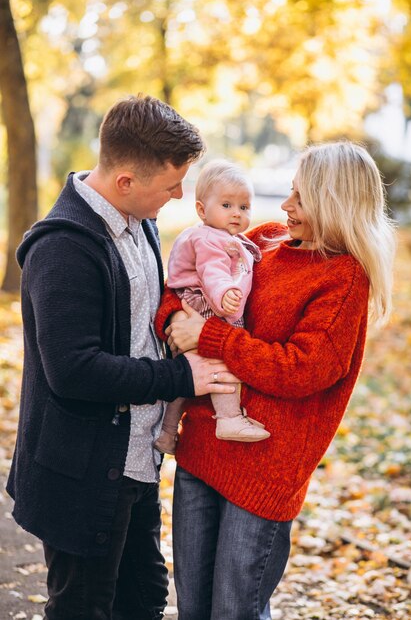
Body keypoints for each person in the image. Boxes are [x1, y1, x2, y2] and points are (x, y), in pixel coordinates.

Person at [6, 93, 238, 620]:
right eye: (170, 185)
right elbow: (73, 371)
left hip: (136, 462)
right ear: (126, 182)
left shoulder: (142, 224)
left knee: (144, 601)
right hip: (81, 472)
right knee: (85, 607)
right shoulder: (62, 248)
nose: (180, 196)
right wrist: (180, 374)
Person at [155, 141, 396, 620]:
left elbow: (301, 370)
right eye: (290, 192)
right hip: (202, 446)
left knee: (234, 611)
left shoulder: (343, 278)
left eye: (301, 199)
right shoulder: (259, 242)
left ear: (335, 204)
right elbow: (186, 287)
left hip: (265, 467)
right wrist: (173, 323)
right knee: (193, 607)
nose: (285, 207)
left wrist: (212, 336)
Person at [154, 159, 270, 455]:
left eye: (244, 208)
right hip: (205, 307)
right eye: (227, 205)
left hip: (197, 305)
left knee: (192, 377)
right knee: (224, 365)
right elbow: (212, 272)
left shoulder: (223, 236)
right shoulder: (208, 239)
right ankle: (229, 418)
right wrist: (224, 293)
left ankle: (166, 433)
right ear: (202, 210)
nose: (237, 214)